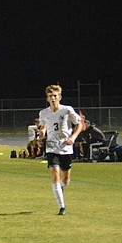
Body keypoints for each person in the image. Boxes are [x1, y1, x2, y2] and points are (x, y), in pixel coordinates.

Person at [37, 84, 82, 215]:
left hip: (66, 147)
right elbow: (43, 126)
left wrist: (73, 137)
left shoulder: (67, 110)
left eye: (55, 96)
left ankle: (60, 187)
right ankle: (62, 207)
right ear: (47, 98)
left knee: (66, 180)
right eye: (50, 96)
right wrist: (41, 135)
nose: (53, 98)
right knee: (55, 174)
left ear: (60, 97)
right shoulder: (44, 113)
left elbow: (79, 124)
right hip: (51, 146)